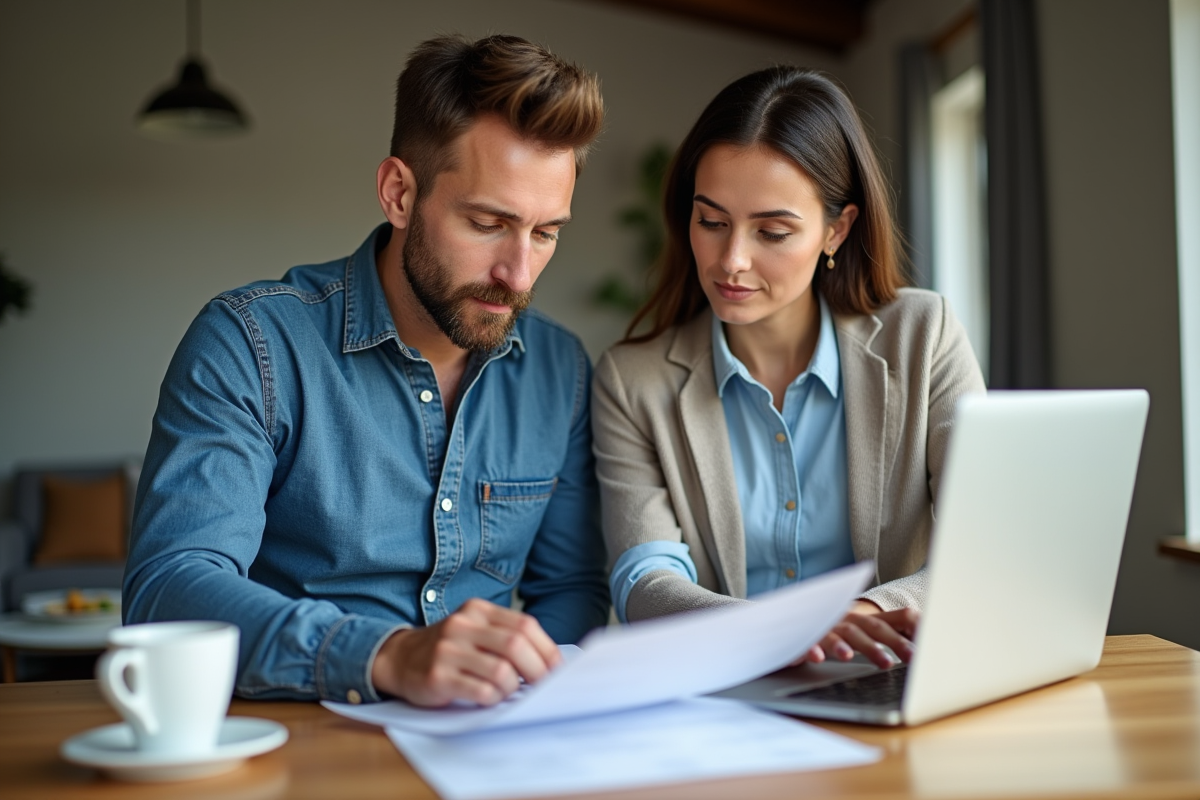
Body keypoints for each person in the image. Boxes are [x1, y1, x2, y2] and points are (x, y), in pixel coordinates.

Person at [124, 34, 609, 707]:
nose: (518, 274)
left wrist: (528, 690)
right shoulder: (250, 344)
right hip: (299, 744)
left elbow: (571, 591)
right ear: (399, 194)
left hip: (494, 747)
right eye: (487, 222)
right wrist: (385, 656)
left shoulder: (560, 369)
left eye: (546, 231)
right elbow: (168, 589)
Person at [592, 66, 986, 669]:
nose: (732, 261)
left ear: (838, 229)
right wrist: (783, 634)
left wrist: (864, 618)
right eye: (712, 222)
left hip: (893, 677)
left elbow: (983, 540)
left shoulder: (923, 335)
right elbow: (645, 579)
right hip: (728, 687)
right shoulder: (632, 380)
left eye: (772, 231)